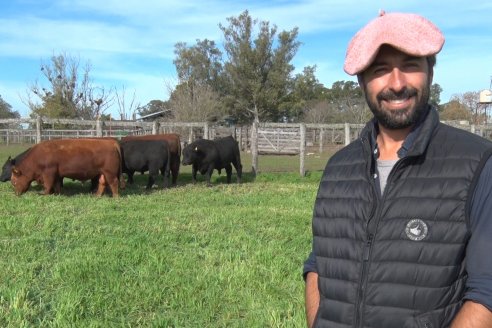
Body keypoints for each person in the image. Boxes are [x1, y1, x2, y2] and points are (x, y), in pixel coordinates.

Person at [303, 11, 492, 328]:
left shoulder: (477, 164)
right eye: (380, 70)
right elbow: (319, 264)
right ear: (362, 80)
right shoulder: (338, 168)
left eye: (410, 65)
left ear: (430, 71)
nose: (397, 83)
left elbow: (486, 295)